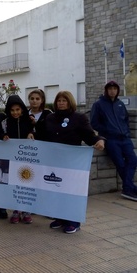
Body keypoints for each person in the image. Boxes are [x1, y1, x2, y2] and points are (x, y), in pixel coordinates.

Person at [45, 91, 105, 233]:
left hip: (71, 162)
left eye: (64, 100)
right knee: (57, 190)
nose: (61, 103)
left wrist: (99, 140)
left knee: (70, 191)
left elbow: (89, 135)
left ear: (70, 102)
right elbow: (43, 135)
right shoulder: (50, 118)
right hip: (54, 160)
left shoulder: (78, 118)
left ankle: (73, 221)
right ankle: (60, 218)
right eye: (59, 100)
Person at [91, 81, 137, 201]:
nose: (112, 91)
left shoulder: (120, 104)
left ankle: (128, 188)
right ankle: (130, 189)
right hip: (111, 140)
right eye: (110, 89)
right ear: (106, 90)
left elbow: (126, 119)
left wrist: (126, 132)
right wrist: (107, 131)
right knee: (120, 164)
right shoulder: (99, 104)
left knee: (133, 160)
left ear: (117, 91)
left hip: (125, 139)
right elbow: (94, 123)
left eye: (115, 89)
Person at [2, 95, 34, 224]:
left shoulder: (28, 121)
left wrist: (32, 134)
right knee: (14, 184)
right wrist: (3, 136)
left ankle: (26, 210)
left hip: (26, 158)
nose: (15, 112)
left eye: (18, 109)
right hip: (12, 159)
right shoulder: (5, 122)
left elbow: (35, 132)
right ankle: (15, 210)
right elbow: (1, 133)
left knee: (26, 184)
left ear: (22, 109)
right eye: (12, 110)